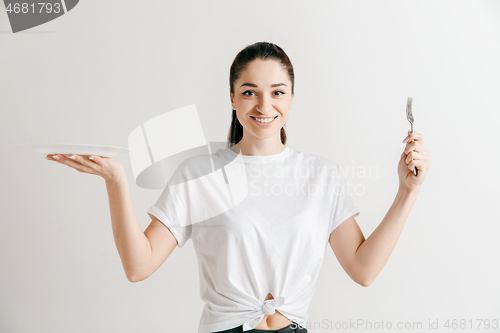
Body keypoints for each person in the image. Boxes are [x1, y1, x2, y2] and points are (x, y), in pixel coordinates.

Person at [45, 41, 431, 333]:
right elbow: (138, 266)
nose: (264, 105)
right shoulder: (200, 173)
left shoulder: (321, 175)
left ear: (292, 99)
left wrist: (407, 192)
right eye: (250, 91)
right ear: (232, 98)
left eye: (277, 91)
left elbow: (363, 269)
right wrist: (116, 181)